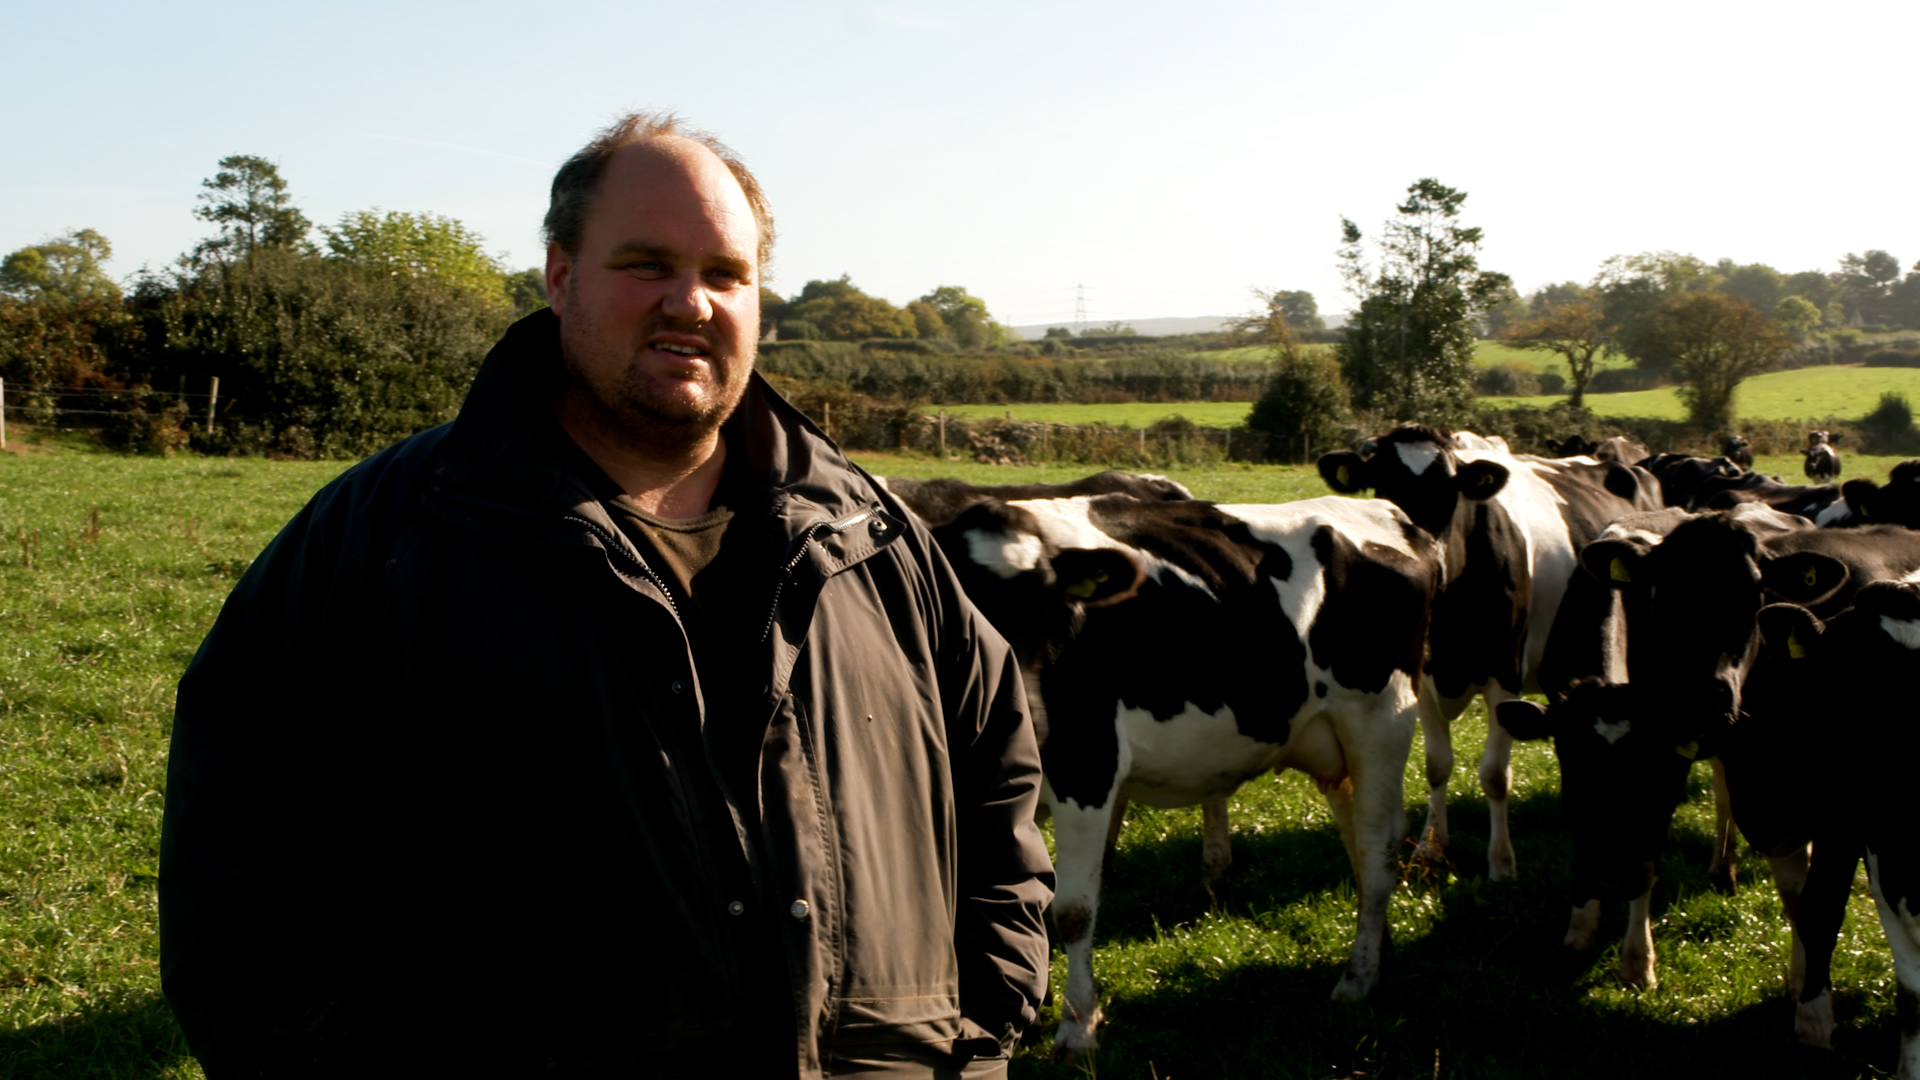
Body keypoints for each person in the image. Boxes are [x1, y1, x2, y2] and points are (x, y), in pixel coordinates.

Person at [159, 112, 1054, 1079]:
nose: (692, 303)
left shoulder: (867, 538)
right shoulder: (385, 540)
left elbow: (996, 771)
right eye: (645, 264)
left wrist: (983, 1027)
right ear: (559, 276)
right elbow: (238, 869)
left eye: (725, 274)